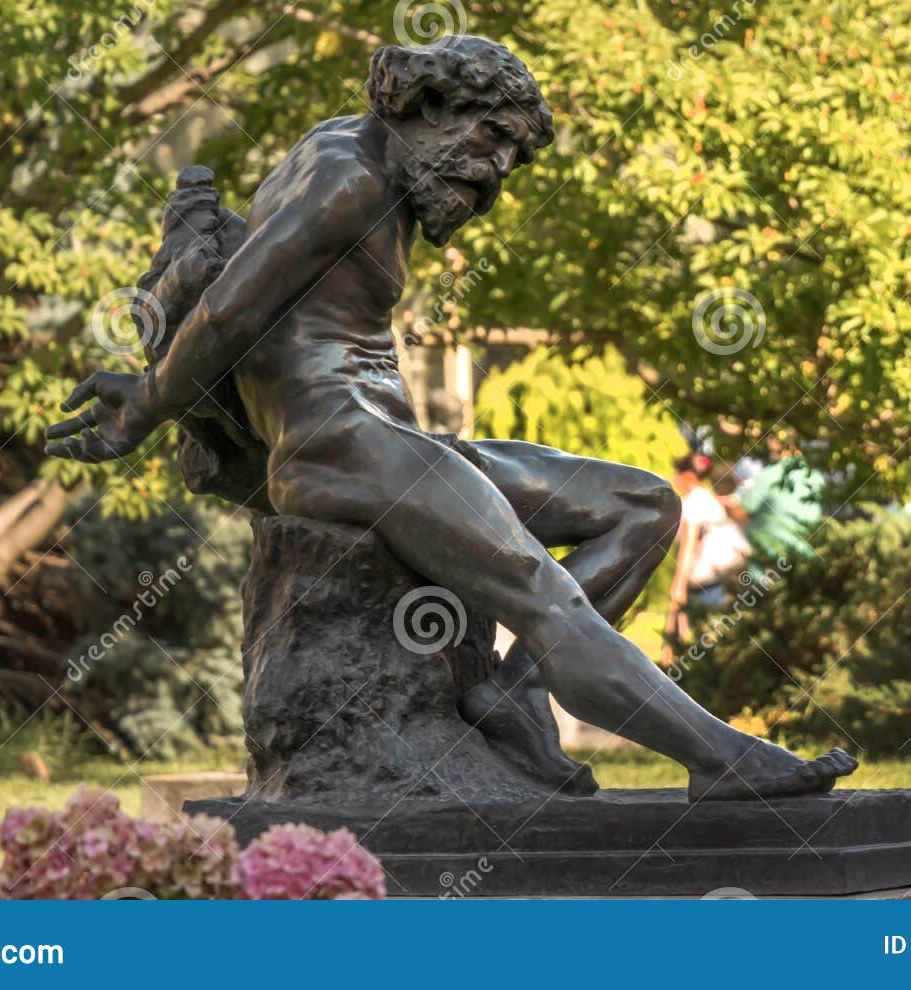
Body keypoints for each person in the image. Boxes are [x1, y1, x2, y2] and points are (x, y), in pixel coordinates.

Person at [43, 36, 855, 800]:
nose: (498, 171)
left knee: (644, 505)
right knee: (537, 587)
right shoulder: (345, 178)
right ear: (427, 105)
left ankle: (516, 696)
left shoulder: (358, 158)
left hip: (390, 440)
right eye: (492, 137)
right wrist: (147, 404)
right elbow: (228, 313)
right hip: (336, 446)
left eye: (513, 157)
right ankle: (724, 761)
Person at [664, 453, 750, 657]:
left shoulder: (692, 502)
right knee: (720, 637)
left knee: (704, 640)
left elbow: (688, 546)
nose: (675, 478)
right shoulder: (710, 498)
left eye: (678, 473)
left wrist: (678, 586)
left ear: (688, 475)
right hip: (725, 576)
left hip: (707, 583)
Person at [724, 436, 825, 564]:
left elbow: (740, 512)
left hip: (770, 559)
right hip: (805, 556)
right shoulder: (816, 476)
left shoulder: (770, 474)